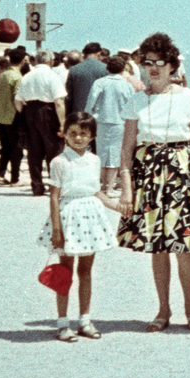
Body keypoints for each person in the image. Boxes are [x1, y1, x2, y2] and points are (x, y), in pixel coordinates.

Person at [116, 32, 190, 332]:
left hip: (183, 174)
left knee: (185, 246)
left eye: (160, 62)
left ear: (171, 65)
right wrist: (127, 188)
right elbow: (127, 148)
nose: (153, 67)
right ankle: (163, 310)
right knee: (157, 246)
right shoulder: (135, 101)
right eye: (148, 62)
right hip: (148, 174)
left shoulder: (188, 97)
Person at [40, 112, 121, 343]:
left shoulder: (95, 160)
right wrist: (57, 229)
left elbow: (95, 190)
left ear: (92, 136)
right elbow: (54, 197)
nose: (78, 138)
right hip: (67, 218)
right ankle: (62, 323)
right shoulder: (59, 162)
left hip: (90, 219)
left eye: (83, 134)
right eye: (73, 133)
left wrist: (115, 206)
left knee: (85, 271)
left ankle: (84, 320)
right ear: (64, 135)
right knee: (64, 271)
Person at [15, 47, 68, 197]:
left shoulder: (27, 76)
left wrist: (26, 114)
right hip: (48, 111)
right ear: (50, 60)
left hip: (30, 111)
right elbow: (59, 101)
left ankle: (37, 186)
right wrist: (62, 123)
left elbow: (18, 101)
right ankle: (54, 187)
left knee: (34, 151)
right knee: (54, 149)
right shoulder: (52, 76)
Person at [86, 54, 136, 193]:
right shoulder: (127, 85)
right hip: (120, 122)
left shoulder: (100, 82)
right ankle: (110, 187)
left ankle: (102, 185)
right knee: (115, 154)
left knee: (101, 152)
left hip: (101, 121)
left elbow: (90, 102)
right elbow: (131, 105)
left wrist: (90, 115)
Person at [0, 49, 25, 185]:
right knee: (16, 149)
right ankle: (15, 178)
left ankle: (0, 173)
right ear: (23, 60)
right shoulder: (18, 77)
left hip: (0, 115)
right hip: (12, 117)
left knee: (5, 146)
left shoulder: (3, 75)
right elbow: (17, 99)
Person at [65, 43, 108, 119]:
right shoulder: (105, 69)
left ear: (84, 54)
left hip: (79, 115)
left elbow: (69, 97)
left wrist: (68, 116)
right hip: (99, 116)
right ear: (99, 53)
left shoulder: (73, 70)